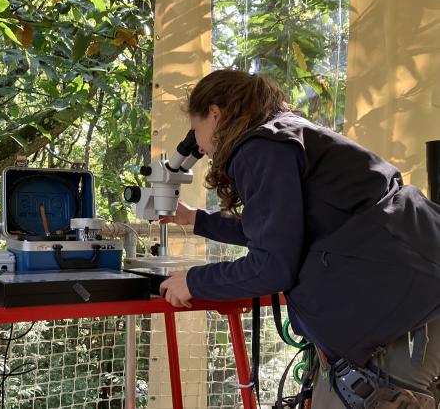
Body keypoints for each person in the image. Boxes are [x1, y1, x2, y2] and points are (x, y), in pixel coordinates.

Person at [157, 69, 440, 408]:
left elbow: (272, 266)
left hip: (397, 315)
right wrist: (197, 220)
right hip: (419, 292)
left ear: (215, 114)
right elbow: (282, 226)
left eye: (196, 131)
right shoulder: (292, 134)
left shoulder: (258, 148)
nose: (200, 146)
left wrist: (194, 281)